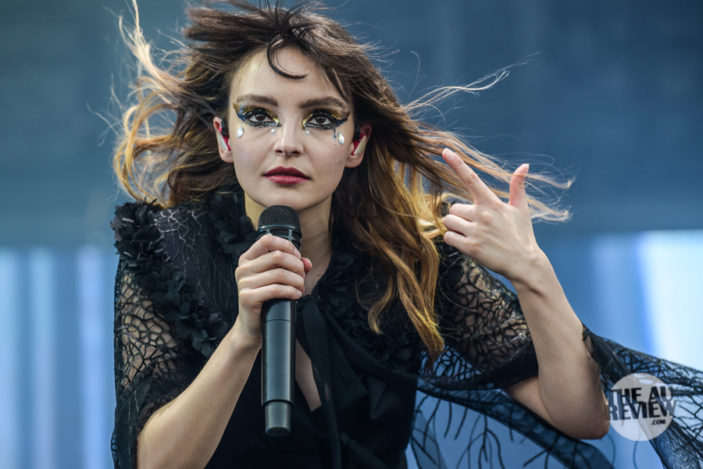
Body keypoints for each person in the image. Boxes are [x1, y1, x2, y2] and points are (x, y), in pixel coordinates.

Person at [110, 1, 703, 468]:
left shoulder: (410, 258)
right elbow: (153, 462)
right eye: (259, 116)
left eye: (320, 118)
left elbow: (582, 415)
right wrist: (244, 336)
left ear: (356, 144)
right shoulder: (164, 252)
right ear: (224, 137)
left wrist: (533, 274)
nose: (287, 142)